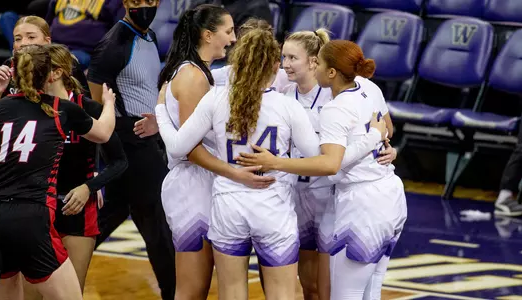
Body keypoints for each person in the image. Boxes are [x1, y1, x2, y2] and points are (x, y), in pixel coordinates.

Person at [236, 40, 407, 299]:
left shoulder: (335, 107)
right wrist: (378, 140)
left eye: (298, 58)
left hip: (354, 198)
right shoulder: (365, 87)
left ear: (328, 69)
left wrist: (276, 163)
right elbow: (382, 130)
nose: (286, 64)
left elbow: (332, 162)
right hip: (382, 193)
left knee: (343, 293)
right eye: (284, 57)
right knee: (366, 291)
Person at [153, 5, 274, 300]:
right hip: (192, 186)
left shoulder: (197, 71)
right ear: (208, 35)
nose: (233, 39)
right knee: (192, 289)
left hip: (200, 182)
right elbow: (190, 149)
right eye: (229, 31)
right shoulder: (194, 77)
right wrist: (235, 173)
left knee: (198, 288)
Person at [0, 44, 116, 300]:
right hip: (34, 217)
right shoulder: (60, 108)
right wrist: (110, 103)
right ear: (50, 75)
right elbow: (103, 133)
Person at [86, 0, 176, 298]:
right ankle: (173, 292)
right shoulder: (113, 44)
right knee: (158, 223)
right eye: (138, 0)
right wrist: (116, 141)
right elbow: (96, 103)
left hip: (146, 138)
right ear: (126, 2)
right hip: (130, 141)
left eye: (151, 0)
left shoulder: (148, 35)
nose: (145, 5)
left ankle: (53, 265)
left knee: (112, 214)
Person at [46, 43, 128, 292]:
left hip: (78, 210)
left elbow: (120, 161)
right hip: (40, 207)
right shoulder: (32, 106)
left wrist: (89, 186)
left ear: (57, 73)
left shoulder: (88, 109)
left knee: (71, 293)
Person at [0, 16, 89, 103]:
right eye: (18, 39)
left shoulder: (68, 64)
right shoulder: (9, 65)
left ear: (47, 42)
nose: (23, 43)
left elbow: (87, 107)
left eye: (31, 37)